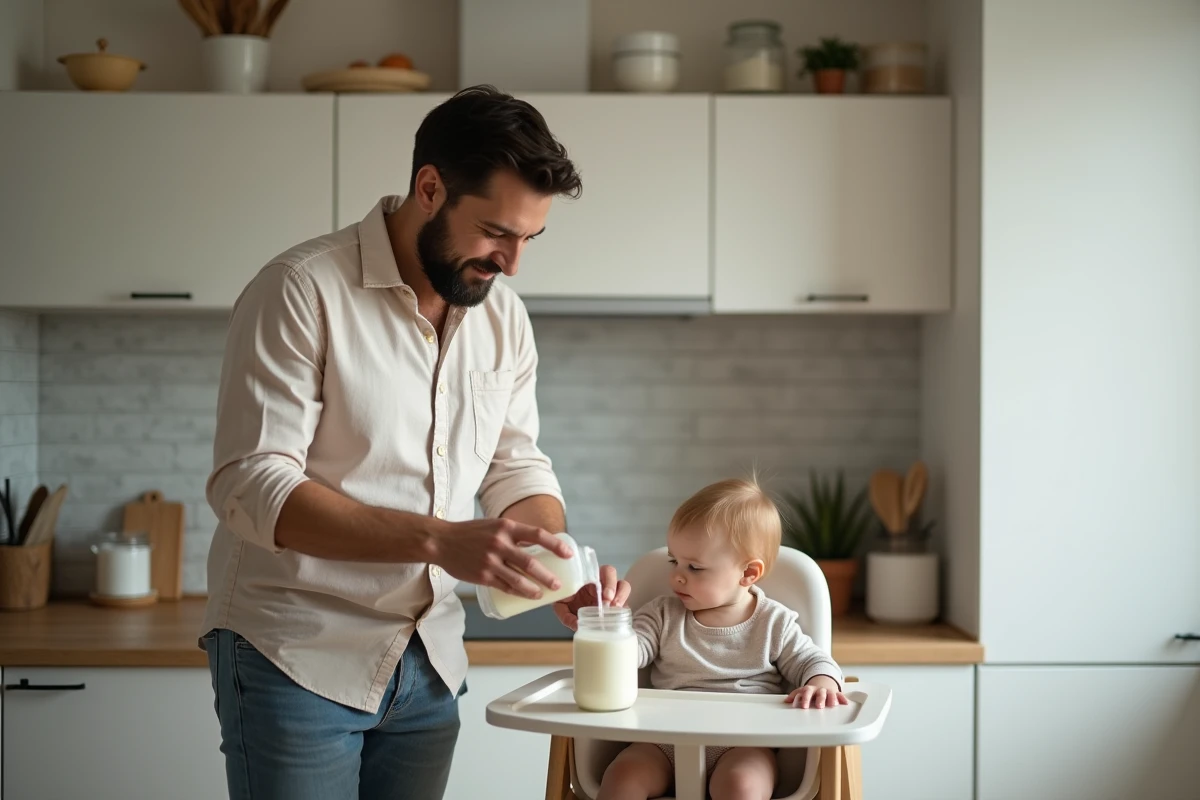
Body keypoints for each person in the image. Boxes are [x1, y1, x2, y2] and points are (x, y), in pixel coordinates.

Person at [199, 85, 631, 800]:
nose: (513, 263)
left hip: (427, 661)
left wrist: (552, 561)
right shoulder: (301, 290)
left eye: (530, 238)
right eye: (497, 232)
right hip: (295, 654)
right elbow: (251, 485)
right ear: (430, 188)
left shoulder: (504, 319)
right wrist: (438, 540)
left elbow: (514, 465)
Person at [599, 477, 848, 800]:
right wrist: (607, 627)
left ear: (748, 574)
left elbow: (812, 660)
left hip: (743, 743)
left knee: (742, 786)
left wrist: (823, 683)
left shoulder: (774, 623)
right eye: (675, 560)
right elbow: (631, 651)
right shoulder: (662, 614)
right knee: (622, 776)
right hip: (663, 742)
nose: (677, 575)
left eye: (696, 567)